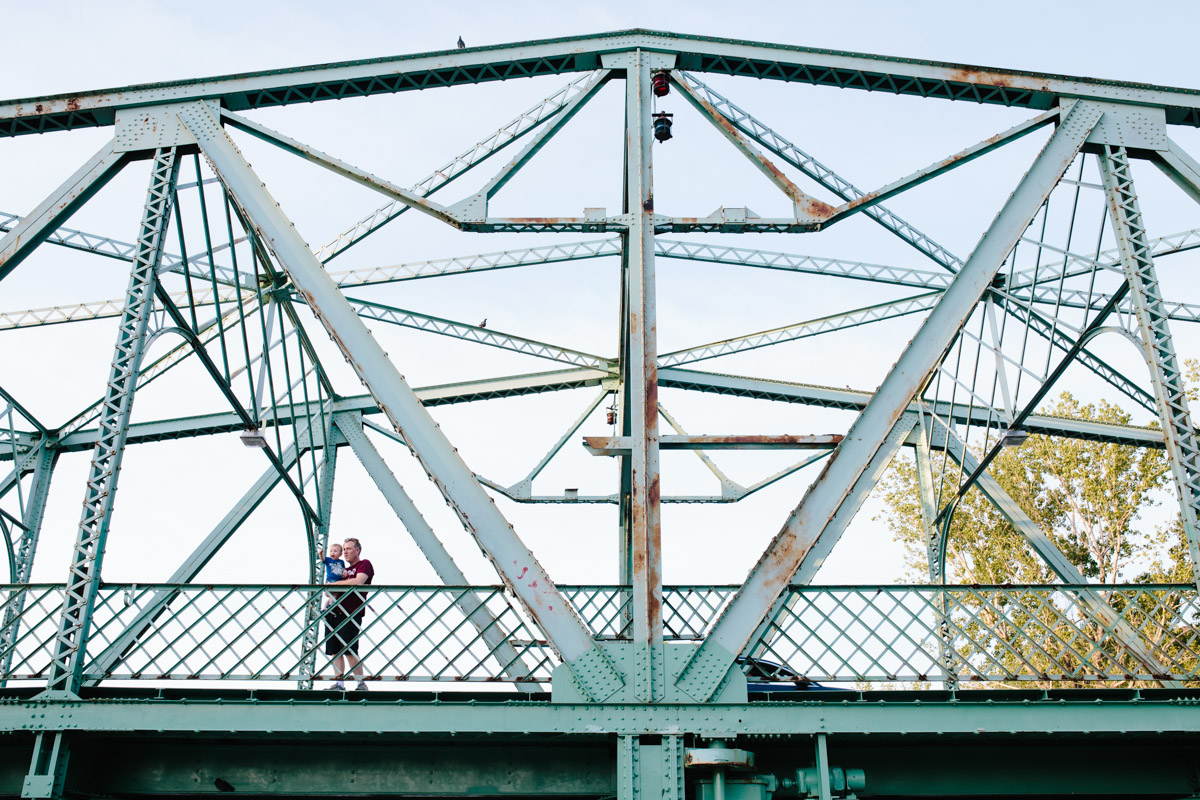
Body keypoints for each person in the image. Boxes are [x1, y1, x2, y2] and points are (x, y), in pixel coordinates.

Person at [323, 537, 375, 691]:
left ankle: (361, 683)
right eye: (344, 549)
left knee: (349, 648)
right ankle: (339, 683)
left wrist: (336, 585)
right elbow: (328, 591)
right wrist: (333, 587)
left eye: (349, 549)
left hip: (351, 612)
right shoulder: (342, 569)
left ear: (357, 550)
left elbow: (358, 581)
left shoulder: (364, 564)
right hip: (333, 611)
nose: (345, 552)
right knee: (334, 650)